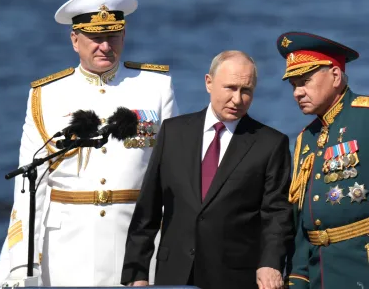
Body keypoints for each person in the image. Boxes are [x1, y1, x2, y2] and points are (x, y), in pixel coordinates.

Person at [0, 0, 178, 286]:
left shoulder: (155, 88)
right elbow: (30, 187)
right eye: (95, 38)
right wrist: (23, 266)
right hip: (66, 252)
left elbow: (171, 174)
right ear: (75, 40)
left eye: (113, 37)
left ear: (124, 35)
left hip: (135, 248)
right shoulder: (47, 95)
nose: (105, 46)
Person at [121, 50, 294, 289]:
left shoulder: (270, 143)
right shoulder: (173, 132)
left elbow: (276, 215)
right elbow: (148, 208)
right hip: (174, 274)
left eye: (246, 91)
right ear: (209, 83)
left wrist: (271, 263)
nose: (237, 99)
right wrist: (136, 272)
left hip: (235, 277)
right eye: (230, 88)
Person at [276, 31, 369, 288]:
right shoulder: (306, 139)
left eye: (305, 81)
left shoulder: (365, 118)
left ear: (336, 76)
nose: (297, 93)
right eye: (294, 85)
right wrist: (298, 277)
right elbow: (303, 220)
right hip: (320, 276)